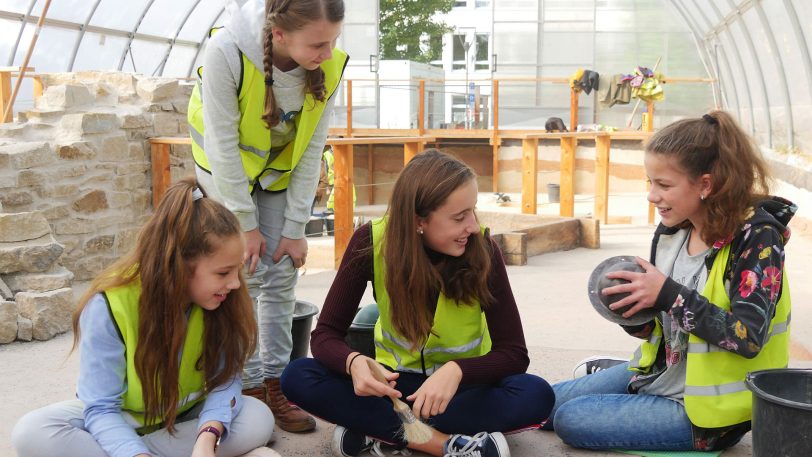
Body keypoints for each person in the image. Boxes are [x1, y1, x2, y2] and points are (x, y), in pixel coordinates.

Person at [542, 111, 794, 452]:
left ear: (705, 184)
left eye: (663, 185)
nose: (651, 195)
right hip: (661, 370)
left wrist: (667, 295)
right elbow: (665, 324)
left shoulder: (758, 240)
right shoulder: (674, 228)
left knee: (571, 419)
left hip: (708, 416)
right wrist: (631, 313)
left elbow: (748, 338)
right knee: (542, 401)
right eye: (650, 182)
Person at [281, 149, 555, 457]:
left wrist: (457, 371)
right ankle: (446, 444)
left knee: (536, 395)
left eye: (472, 211)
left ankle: (379, 428)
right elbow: (325, 336)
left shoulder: (485, 251)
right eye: (459, 217)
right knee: (298, 376)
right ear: (418, 221)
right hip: (395, 388)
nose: (474, 226)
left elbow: (514, 354)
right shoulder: (370, 242)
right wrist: (355, 363)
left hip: (462, 390)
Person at [11, 178, 274, 457]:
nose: (235, 284)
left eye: (237, 270)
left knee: (257, 417)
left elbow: (225, 380)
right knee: (33, 431)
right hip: (123, 418)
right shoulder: (107, 305)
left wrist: (208, 437)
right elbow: (100, 409)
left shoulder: (223, 300)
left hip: (186, 417)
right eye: (223, 273)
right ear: (180, 265)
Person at [186, 0, 348, 432]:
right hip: (224, 173)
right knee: (244, 272)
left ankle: (277, 384)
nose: (328, 53)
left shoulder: (328, 67)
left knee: (282, 271)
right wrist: (245, 224)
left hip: (277, 176)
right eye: (318, 44)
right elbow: (221, 144)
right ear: (279, 34)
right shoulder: (226, 52)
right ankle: (246, 383)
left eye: (333, 40)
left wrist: (297, 229)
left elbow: (312, 150)